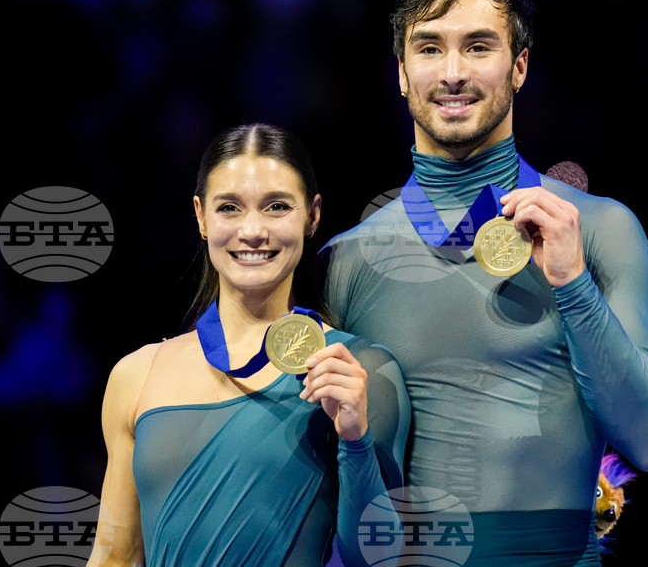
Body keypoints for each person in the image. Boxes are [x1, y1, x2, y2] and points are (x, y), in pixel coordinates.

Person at [319, 0, 648, 565]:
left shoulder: (600, 230)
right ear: (403, 75)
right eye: (430, 49)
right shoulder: (345, 259)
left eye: (479, 46)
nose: (454, 72)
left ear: (518, 67)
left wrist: (571, 284)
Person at [88, 124, 409, 567]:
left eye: (277, 206)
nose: (253, 230)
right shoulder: (135, 375)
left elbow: (380, 560)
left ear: (312, 215)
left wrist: (354, 439)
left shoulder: (358, 371)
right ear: (201, 217)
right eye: (230, 208)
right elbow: (113, 559)